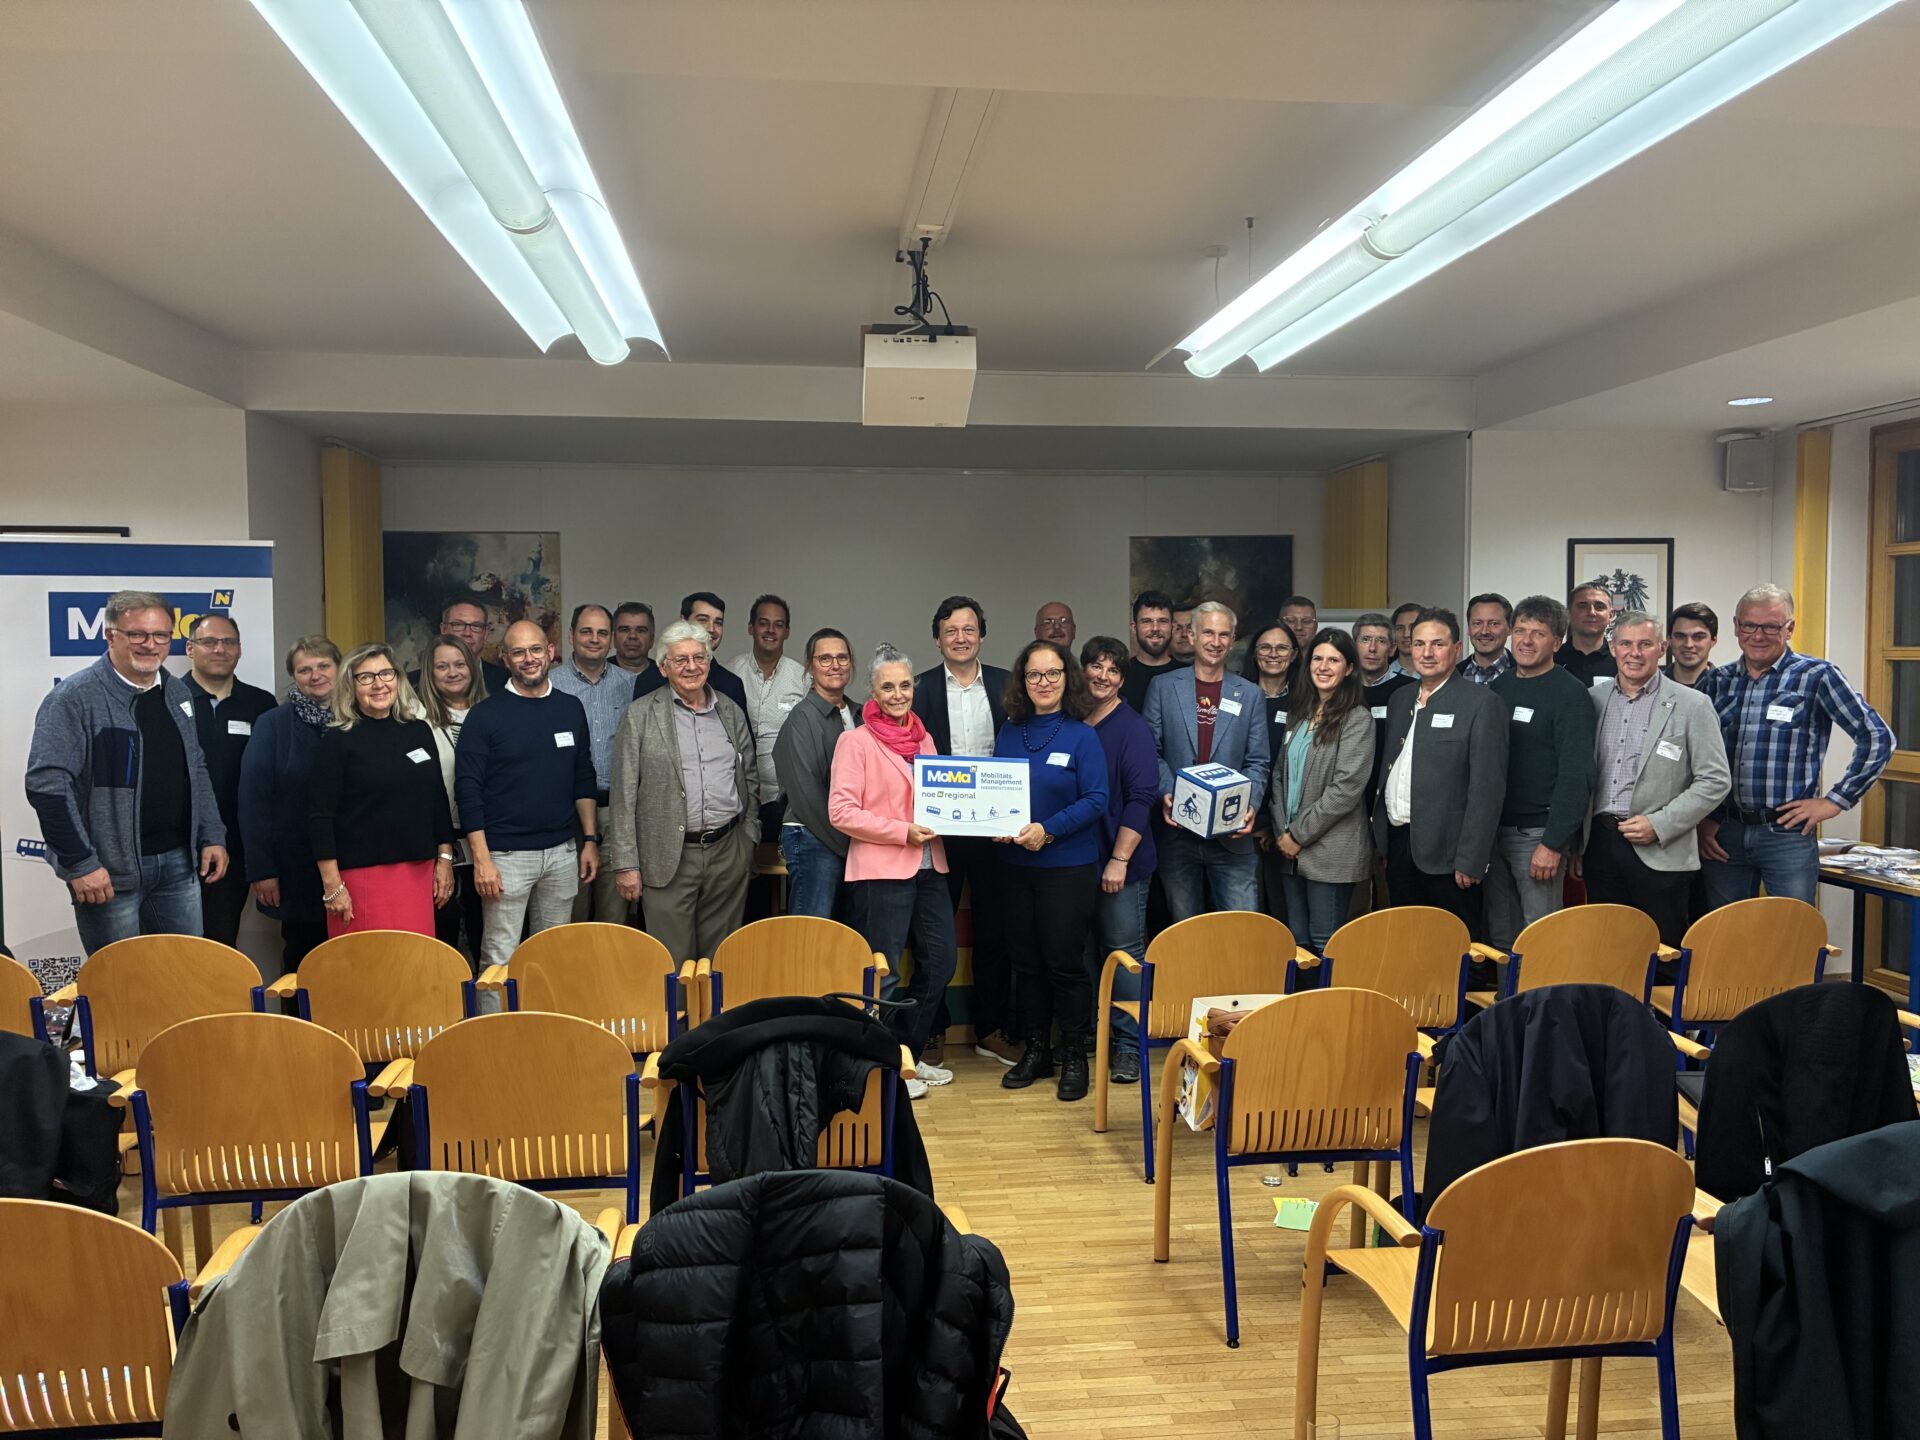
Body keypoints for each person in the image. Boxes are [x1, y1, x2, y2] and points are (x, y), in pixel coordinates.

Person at [25, 589, 228, 956]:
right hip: (107, 875)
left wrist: (211, 834)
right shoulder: (74, 698)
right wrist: (80, 863)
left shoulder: (177, 693)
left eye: (161, 635)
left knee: (186, 978)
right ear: (110, 635)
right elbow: (47, 786)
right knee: (119, 989)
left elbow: (194, 766)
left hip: (178, 866)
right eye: (137, 634)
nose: (150, 645)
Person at [1699, 583, 1892, 907]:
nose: (1758, 635)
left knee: (1793, 937)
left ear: (1789, 628)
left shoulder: (1817, 676)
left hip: (1787, 834)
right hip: (1723, 832)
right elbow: (1695, 751)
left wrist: (1835, 801)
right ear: (1736, 626)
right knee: (1725, 938)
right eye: (1749, 625)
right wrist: (1701, 819)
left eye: (1771, 626)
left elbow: (1877, 736)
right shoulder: (1719, 681)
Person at [827, 644, 957, 1098]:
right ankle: (878, 1069)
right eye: (888, 686)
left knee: (941, 963)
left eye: (905, 685)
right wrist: (902, 831)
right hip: (881, 869)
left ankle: (908, 1055)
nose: (898, 694)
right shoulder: (855, 742)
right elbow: (841, 811)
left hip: (930, 865)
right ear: (873, 692)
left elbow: (946, 801)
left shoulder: (924, 739)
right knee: (884, 974)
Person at [993, 641, 1109, 1100]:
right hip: (1014, 865)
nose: (1044, 682)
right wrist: (997, 826)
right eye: (1035, 675)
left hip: (1066, 866)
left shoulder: (1084, 736)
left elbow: (1097, 800)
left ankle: (1074, 1054)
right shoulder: (1009, 730)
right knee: (1026, 962)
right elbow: (997, 792)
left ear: (1068, 678)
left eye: (1053, 673)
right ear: (1023, 681)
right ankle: (1037, 1050)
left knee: (1064, 963)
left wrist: (1049, 831)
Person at [606, 620, 758, 964]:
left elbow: (749, 778)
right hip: (666, 857)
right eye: (680, 660)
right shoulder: (640, 715)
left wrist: (748, 836)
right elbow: (624, 795)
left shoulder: (729, 711)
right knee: (672, 964)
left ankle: (717, 1020)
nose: (692, 667)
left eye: (699, 658)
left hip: (727, 852)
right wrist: (626, 864)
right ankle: (681, 1020)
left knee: (720, 961)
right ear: (663, 667)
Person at [455, 620, 599, 973]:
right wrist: (482, 859)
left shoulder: (570, 708)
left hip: (563, 853)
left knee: (553, 955)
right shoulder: (485, 716)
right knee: (499, 957)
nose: (529, 658)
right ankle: (497, 1028)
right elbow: (467, 789)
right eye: (518, 652)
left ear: (550, 652)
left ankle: (544, 1026)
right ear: (506, 659)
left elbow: (583, 776)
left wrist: (591, 840)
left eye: (535, 649)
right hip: (505, 857)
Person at [1580, 611, 1731, 946]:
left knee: (1662, 953)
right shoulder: (1592, 700)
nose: (1635, 653)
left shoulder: (1692, 705)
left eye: (1645, 644)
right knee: (1607, 948)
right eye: (1626, 644)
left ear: (1662, 648)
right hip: (1601, 846)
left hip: (1661, 848)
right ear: (1613, 648)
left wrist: (1660, 824)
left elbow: (1715, 780)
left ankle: (1659, 1002)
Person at [911, 595, 1018, 1067]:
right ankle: (931, 1029)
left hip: (997, 830)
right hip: (940, 832)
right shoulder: (917, 690)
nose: (960, 637)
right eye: (951, 630)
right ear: (937, 639)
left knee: (996, 929)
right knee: (933, 931)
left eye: (969, 629)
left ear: (982, 636)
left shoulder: (1006, 686)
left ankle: (989, 1029)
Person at [1372, 607, 1507, 940]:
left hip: (1450, 854)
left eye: (1437, 644)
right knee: (1407, 941)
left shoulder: (1481, 704)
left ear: (1457, 649)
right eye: (1419, 644)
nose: (1427, 653)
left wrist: (1471, 859)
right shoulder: (1400, 698)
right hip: (1401, 842)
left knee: (1454, 946)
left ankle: (1459, 996)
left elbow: (1486, 790)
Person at [309, 644, 454, 938]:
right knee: (368, 971)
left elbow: (437, 799)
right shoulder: (337, 741)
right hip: (361, 879)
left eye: (386, 673)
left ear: (397, 678)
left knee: (414, 965)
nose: (379, 684)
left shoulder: (418, 731)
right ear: (351, 685)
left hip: (418, 872)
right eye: (366, 677)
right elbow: (319, 816)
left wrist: (445, 860)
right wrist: (332, 885)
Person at [1144, 601, 1272, 919]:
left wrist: (1250, 803)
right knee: (1185, 932)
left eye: (1224, 634)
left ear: (1233, 639)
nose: (1216, 642)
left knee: (1243, 928)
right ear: (1193, 636)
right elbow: (1151, 752)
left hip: (1232, 833)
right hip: (1178, 832)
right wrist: (1169, 793)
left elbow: (1258, 761)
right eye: (1209, 633)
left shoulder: (1250, 694)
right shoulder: (1162, 688)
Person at [1484, 597, 1595, 948]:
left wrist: (1553, 842)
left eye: (1538, 633)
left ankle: (1542, 1005)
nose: (1526, 641)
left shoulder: (1570, 695)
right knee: (1501, 936)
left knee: (1540, 938)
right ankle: (1510, 1003)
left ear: (1557, 643)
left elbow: (1577, 775)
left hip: (1536, 836)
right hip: (1493, 833)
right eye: (1520, 631)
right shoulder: (1499, 688)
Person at [1079, 637, 1158, 1085]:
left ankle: (1129, 1047)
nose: (1102, 676)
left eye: (1112, 670)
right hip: (1076, 864)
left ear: (1122, 679)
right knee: (1085, 952)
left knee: (1124, 954)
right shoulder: (1073, 721)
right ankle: (1095, 1035)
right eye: (1095, 666)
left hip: (1119, 863)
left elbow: (1141, 797)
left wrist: (1118, 859)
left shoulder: (1132, 728)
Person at [1268, 630, 1375, 957]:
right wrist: (1282, 833)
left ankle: (1329, 1009)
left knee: (1324, 942)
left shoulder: (1357, 719)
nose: (1324, 666)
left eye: (1334, 660)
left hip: (1330, 853)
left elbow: (1346, 789)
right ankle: (1303, 1009)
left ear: (1349, 669)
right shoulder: (1300, 713)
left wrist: (1297, 835)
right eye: (1317, 658)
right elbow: (1279, 776)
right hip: (1290, 853)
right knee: (1296, 943)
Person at [240, 636, 340, 973]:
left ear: (339, 669)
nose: (316, 675)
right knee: (303, 957)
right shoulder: (273, 724)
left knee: (353, 958)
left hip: (356, 862)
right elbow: (253, 800)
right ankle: (299, 1026)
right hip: (297, 867)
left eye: (324, 665)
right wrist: (262, 869)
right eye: (304, 669)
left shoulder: (360, 718)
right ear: (294, 676)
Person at [182, 612, 275, 947]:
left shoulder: (261, 705)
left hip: (236, 848)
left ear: (239, 650)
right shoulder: (167, 700)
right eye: (209, 642)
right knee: (172, 949)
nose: (219, 649)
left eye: (228, 642)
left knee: (220, 943)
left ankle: (217, 1003)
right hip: (177, 848)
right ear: (190, 648)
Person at [549, 603, 634, 923]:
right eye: (586, 631)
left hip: (617, 811)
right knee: (572, 908)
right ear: (571, 635)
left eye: (602, 633)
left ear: (611, 639)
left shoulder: (630, 684)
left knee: (615, 910)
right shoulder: (550, 684)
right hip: (566, 812)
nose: (594, 639)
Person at [772, 628, 861, 919]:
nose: (835, 665)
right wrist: (850, 845)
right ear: (809, 667)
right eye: (824, 658)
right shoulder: (801, 718)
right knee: (811, 940)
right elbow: (806, 794)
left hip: (850, 841)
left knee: (845, 941)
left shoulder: (861, 715)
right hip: (814, 839)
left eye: (842, 657)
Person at [417, 633, 489, 958]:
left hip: (487, 838)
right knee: (442, 924)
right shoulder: (415, 720)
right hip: (438, 840)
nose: (452, 672)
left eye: (460, 664)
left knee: (483, 925)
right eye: (442, 666)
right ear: (429, 673)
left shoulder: (493, 713)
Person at [726, 594, 809, 833]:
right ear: (751, 628)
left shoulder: (803, 679)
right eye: (764, 623)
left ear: (787, 632)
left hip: (783, 799)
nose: (771, 630)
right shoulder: (730, 674)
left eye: (778, 624)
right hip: (736, 795)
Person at [631, 593, 748, 711]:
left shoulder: (732, 683)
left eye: (718, 622)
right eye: (703, 620)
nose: (711, 629)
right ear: (683, 621)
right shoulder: (649, 679)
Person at [1354, 612, 1415, 812]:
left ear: (1392, 649)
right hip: (1350, 796)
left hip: (1393, 798)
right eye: (1365, 640)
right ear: (1354, 646)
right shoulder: (1340, 691)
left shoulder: (1410, 691)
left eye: (1381, 641)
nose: (1372, 648)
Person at [407, 598, 509, 693]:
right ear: (444, 630)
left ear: (486, 633)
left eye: (476, 626)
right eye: (458, 625)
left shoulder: (507, 681)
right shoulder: (410, 685)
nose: (467, 633)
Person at [1120, 589, 1176, 713]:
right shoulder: (1119, 675)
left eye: (1162, 621)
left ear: (1173, 627)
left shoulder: (1187, 676)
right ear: (1134, 628)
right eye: (1147, 621)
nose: (1155, 628)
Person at [1556, 583, 1618, 687]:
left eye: (1599, 606)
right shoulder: (1552, 660)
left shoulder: (1621, 662)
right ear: (1569, 614)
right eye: (1582, 606)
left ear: (1610, 616)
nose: (1591, 612)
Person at [1459, 593, 1515, 685]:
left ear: (1509, 628)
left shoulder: (1527, 674)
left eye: (1494, 624)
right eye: (1477, 623)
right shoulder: (1451, 676)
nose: (1484, 631)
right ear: (1468, 628)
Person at [1665, 602, 1718, 687]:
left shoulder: (1726, 687)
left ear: (1713, 641)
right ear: (1669, 640)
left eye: (1698, 637)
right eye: (1680, 636)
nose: (1688, 644)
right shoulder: (1651, 685)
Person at [611, 601, 658, 683]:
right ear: (613, 638)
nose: (632, 636)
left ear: (652, 639)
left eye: (641, 630)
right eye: (624, 630)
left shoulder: (667, 678)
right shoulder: (595, 676)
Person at [1389, 602, 1423, 677]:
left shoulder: (1437, 673)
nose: (1406, 634)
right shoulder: (1384, 674)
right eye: (1400, 628)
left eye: (1412, 627)